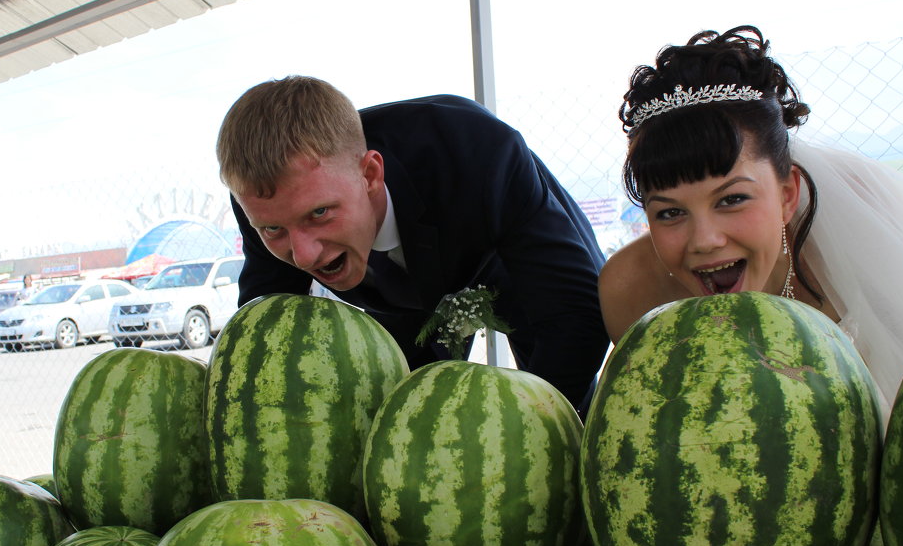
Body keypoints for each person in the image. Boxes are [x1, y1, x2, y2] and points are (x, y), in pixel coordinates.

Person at [599, 25, 903, 424]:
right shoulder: (631, 293)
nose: (705, 241)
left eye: (732, 199)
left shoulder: (861, 243)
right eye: (670, 212)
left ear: (787, 195)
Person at [216, 76, 609, 413]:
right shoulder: (266, 199)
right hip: (405, 304)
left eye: (319, 213)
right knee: (406, 404)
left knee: (564, 394)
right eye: (273, 231)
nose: (303, 255)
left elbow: (576, 314)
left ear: (370, 174)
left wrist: (529, 430)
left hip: (509, 267)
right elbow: (261, 340)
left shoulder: (479, 154)